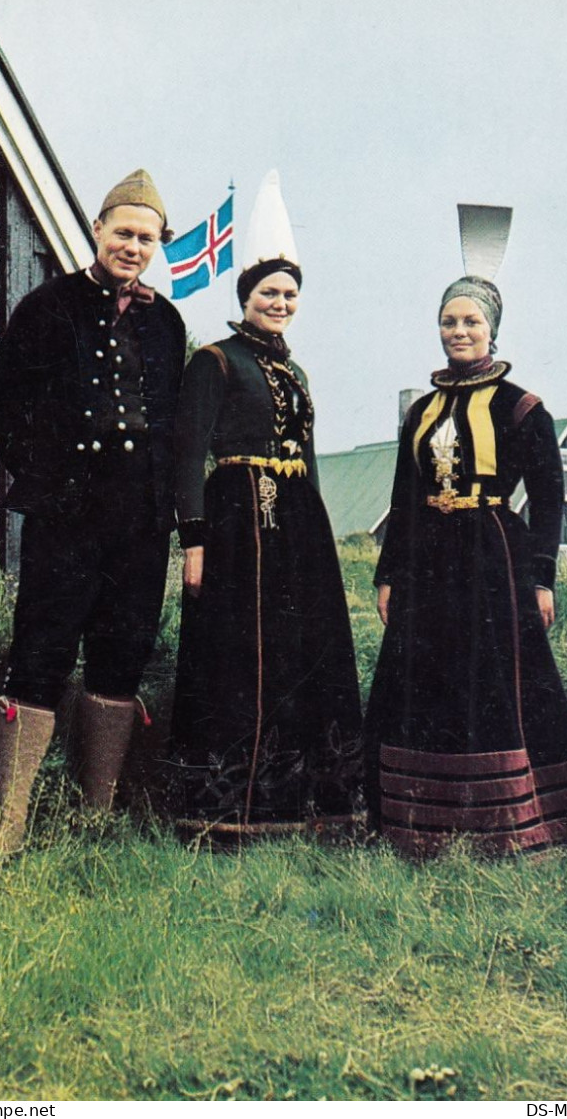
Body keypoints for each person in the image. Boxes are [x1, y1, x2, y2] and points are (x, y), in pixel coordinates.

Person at [0, 169, 186, 856]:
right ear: (97, 230)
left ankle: (95, 817)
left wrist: (167, 512)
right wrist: (52, 479)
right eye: (122, 233)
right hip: (65, 519)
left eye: (145, 238)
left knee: (121, 658)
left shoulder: (166, 321)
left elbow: (175, 427)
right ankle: (7, 825)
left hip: (141, 525)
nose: (132, 246)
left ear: (158, 245)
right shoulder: (48, 306)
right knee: (39, 654)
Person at [364, 274, 567, 856]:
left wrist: (542, 579)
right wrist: (388, 574)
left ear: (492, 330)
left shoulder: (524, 408)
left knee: (491, 683)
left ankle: (505, 821)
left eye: (472, 322)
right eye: (450, 321)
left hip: (492, 561)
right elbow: (403, 497)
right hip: (425, 563)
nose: (459, 331)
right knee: (422, 681)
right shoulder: (421, 410)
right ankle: (414, 822)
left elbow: (550, 501)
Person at [171, 171, 363, 837]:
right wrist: (192, 540)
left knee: (300, 654)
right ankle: (228, 810)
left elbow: (305, 458)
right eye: (267, 292)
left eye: (288, 294)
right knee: (239, 657)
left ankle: (303, 805)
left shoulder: (297, 373)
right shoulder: (214, 362)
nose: (278, 302)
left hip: (295, 531)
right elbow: (186, 454)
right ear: (245, 295)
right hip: (233, 527)